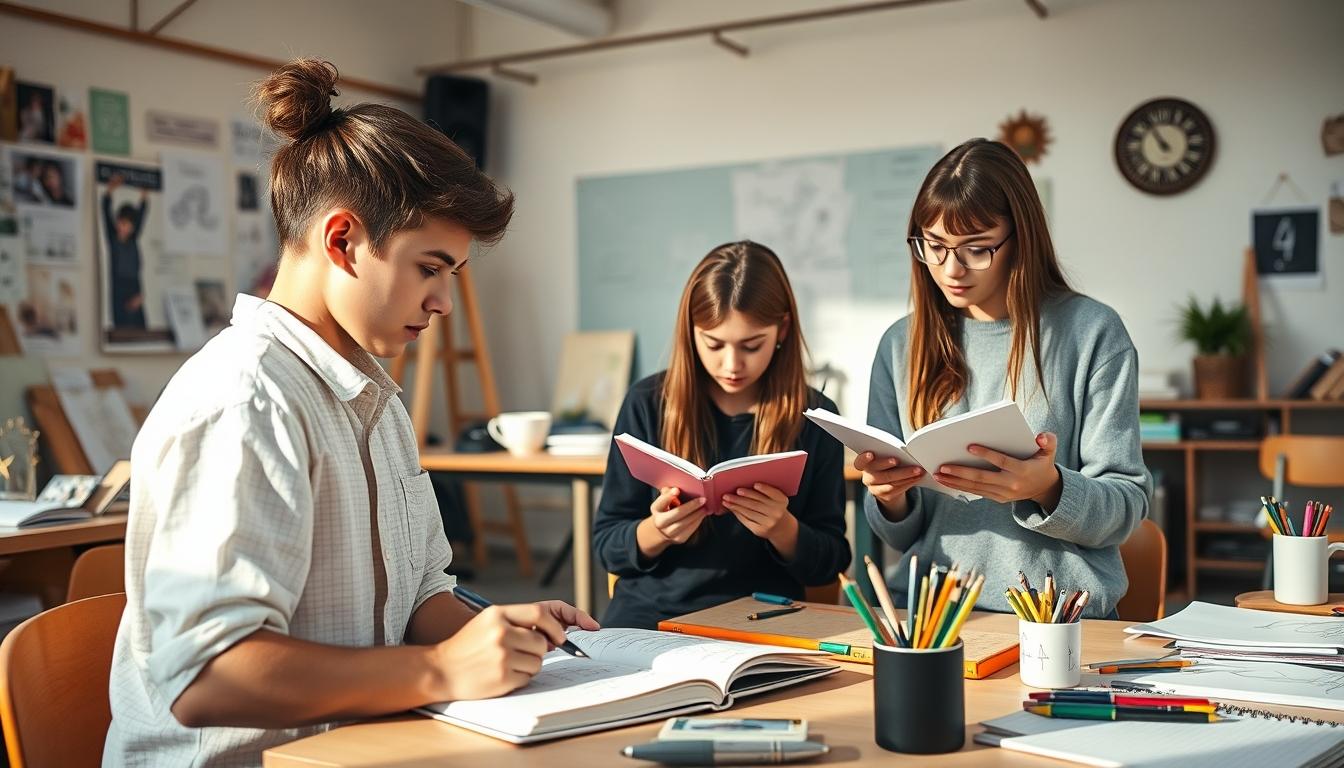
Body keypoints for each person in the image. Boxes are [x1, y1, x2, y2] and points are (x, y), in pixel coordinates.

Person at [104, 59, 598, 767]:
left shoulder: (375, 401)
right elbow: (206, 675)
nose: (444, 303)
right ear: (342, 242)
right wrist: (441, 671)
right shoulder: (245, 400)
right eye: (430, 268)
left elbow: (420, 597)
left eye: (452, 276)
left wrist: (496, 632)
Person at [856, 138, 1150, 619]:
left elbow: (1127, 505)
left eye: (976, 249)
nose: (951, 269)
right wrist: (890, 499)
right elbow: (900, 535)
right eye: (934, 246)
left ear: (1021, 238)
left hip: (1056, 619)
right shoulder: (900, 345)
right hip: (934, 618)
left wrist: (1048, 487)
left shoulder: (1092, 333)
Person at [593, 241, 851, 630]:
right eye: (713, 344)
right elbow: (607, 546)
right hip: (652, 620)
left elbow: (832, 561)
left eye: (752, 345)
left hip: (763, 620)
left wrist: (783, 529)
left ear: (782, 329)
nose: (731, 365)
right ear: (691, 332)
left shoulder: (815, 417)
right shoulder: (648, 403)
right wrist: (656, 531)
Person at [102, 173, 147, 328]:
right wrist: (110, 190)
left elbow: (141, 215)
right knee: (121, 327)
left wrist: (144, 195)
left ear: (132, 227)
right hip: (118, 291)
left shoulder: (134, 239)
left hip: (134, 288)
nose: (122, 227)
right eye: (120, 222)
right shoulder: (112, 238)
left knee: (139, 328)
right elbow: (105, 212)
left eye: (127, 224)